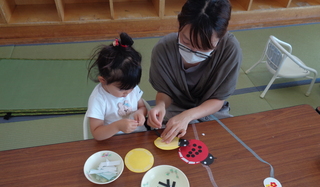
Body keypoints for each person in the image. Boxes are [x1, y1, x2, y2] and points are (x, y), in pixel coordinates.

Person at [147, 0, 242, 143]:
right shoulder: (163, 49)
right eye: (186, 42)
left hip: (211, 111)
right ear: (179, 25)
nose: (193, 51)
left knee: (225, 146)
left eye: (204, 47)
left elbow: (218, 99)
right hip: (175, 109)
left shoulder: (229, 50)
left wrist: (189, 115)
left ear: (220, 38)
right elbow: (165, 92)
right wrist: (161, 105)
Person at [86, 32, 147, 141]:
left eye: (132, 87)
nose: (128, 92)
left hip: (138, 137)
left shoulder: (129, 86)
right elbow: (97, 133)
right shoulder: (98, 99)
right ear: (103, 80)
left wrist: (140, 113)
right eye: (122, 89)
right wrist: (117, 126)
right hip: (114, 141)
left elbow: (142, 106)